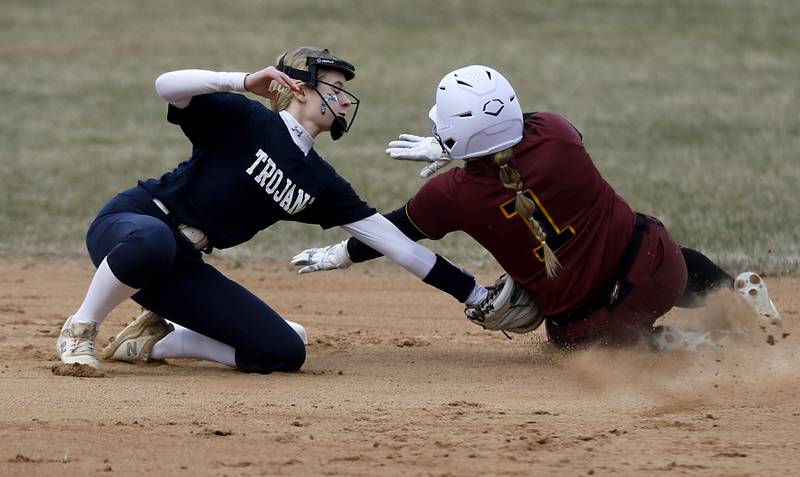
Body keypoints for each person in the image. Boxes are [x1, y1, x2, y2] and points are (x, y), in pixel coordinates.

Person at [56, 48, 489, 373]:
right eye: (335, 88)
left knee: (283, 351)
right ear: (298, 87)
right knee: (153, 240)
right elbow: (166, 85)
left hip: (179, 266)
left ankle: (156, 342)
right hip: (133, 224)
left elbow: (399, 246)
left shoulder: (322, 183)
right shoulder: (246, 119)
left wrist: (472, 293)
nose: (343, 100)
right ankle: (80, 330)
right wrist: (241, 80)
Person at [291, 64, 781, 351]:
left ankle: (693, 345)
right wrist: (455, 146)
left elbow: (393, 232)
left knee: (569, 344)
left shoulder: (449, 196)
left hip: (595, 320)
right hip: (661, 265)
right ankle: (734, 292)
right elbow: (512, 135)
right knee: (661, 251)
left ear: (459, 136)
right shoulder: (558, 132)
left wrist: (341, 253)